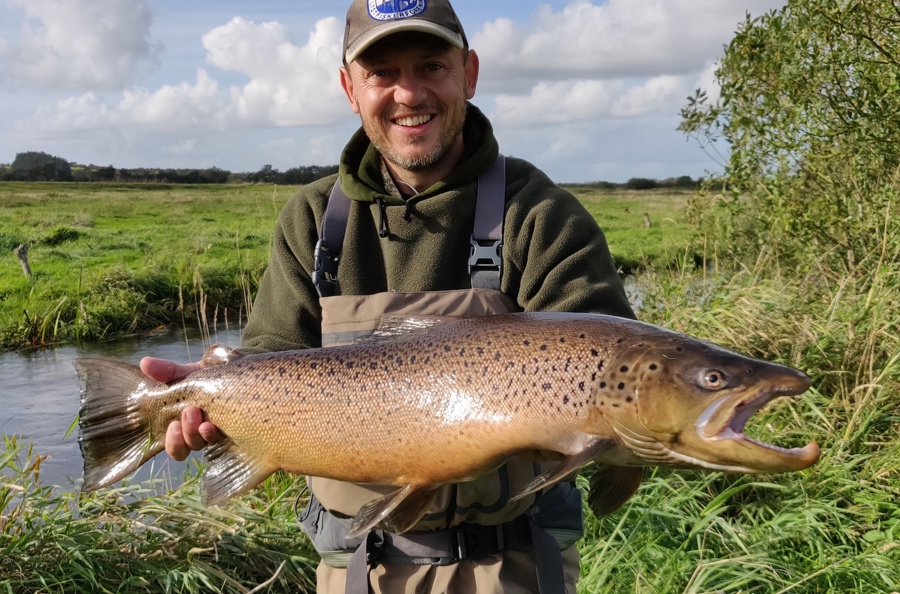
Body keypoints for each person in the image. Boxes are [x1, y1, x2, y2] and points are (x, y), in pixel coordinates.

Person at [141, 0, 635, 592]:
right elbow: (271, 357)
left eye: (431, 67)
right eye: (382, 74)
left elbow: (616, 375)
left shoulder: (538, 213)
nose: (409, 94)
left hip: (513, 567)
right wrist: (205, 409)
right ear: (350, 88)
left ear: (469, 73)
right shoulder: (314, 220)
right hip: (354, 570)